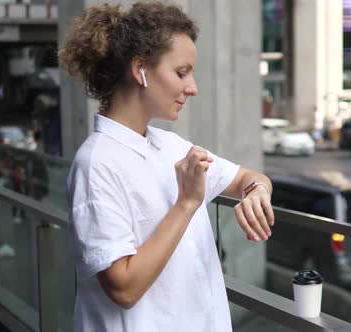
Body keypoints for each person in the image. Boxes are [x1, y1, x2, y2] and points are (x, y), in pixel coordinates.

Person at [59, 3, 275, 331]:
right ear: (140, 69)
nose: (193, 87)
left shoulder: (169, 146)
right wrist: (186, 204)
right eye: (181, 72)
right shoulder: (96, 164)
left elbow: (247, 177)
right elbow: (123, 287)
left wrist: (257, 191)